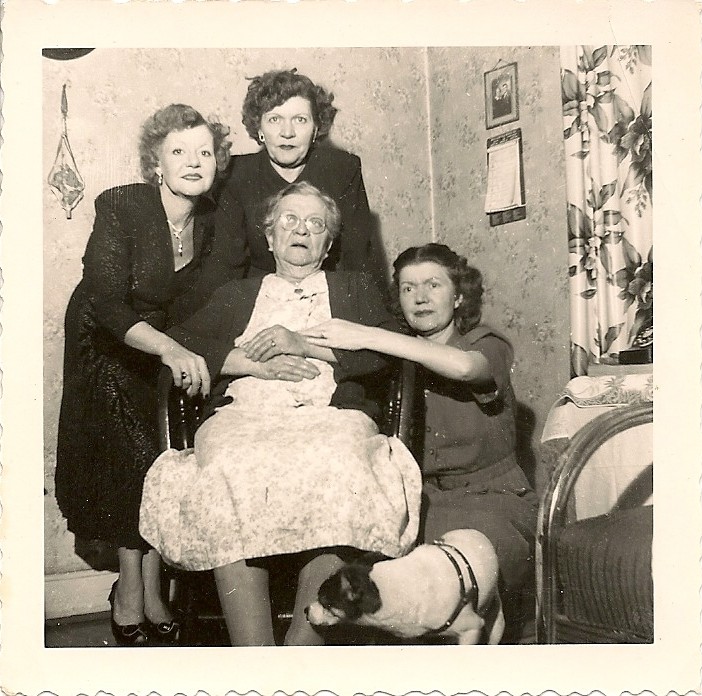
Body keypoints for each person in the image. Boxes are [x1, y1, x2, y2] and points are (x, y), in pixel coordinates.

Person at [139, 182, 421, 646]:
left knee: (341, 465)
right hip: (245, 413)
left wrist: (302, 343)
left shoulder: (354, 288)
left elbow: (390, 352)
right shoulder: (237, 293)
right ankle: (255, 654)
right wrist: (247, 363)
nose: (301, 231)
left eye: (315, 224)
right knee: (228, 467)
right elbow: (177, 345)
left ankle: (301, 646)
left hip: (330, 414)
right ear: (269, 238)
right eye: (289, 221)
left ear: (328, 245)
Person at [54, 104, 239, 646]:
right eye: (178, 151)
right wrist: (171, 350)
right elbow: (108, 303)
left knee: (166, 450)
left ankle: (153, 586)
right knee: (133, 453)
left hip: (162, 344)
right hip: (105, 338)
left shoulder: (213, 220)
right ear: (156, 163)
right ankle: (133, 590)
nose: (193, 161)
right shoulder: (123, 204)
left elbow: (206, 303)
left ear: (217, 164)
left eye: (204, 152)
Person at [303, 243, 539, 641]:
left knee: (453, 583)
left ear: (459, 296)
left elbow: (464, 368)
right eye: (408, 288)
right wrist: (295, 342)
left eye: (433, 285)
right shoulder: (392, 356)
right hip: (421, 504)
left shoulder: (486, 343)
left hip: (494, 503)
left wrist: (367, 335)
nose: (420, 297)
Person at [214, 68, 373, 277]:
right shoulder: (236, 174)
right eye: (274, 119)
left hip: (328, 288)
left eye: (300, 120)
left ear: (316, 128)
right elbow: (226, 267)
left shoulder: (343, 169)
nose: (287, 133)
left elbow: (358, 262)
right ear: (259, 128)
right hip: (261, 288)